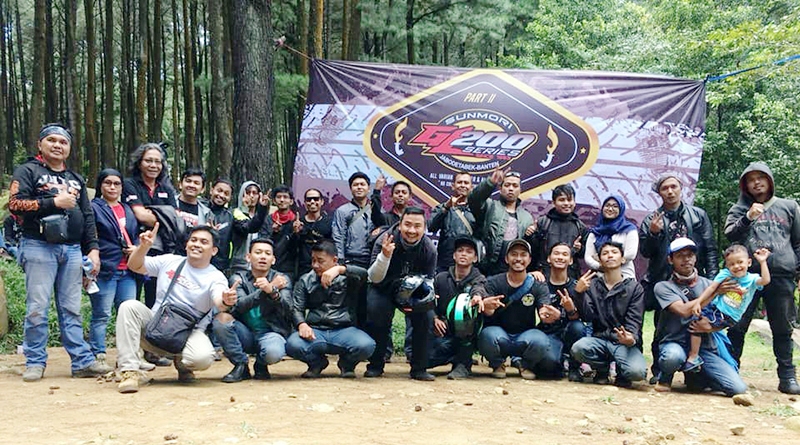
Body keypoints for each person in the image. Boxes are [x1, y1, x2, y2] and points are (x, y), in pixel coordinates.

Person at [8, 123, 112, 381]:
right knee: (37, 307)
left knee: (72, 308)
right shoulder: (28, 170)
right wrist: (53, 202)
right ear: (40, 144)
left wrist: (94, 250)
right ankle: (35, 361)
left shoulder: (75, 178)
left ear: (69, 148)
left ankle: (82, 362)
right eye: (51, 140)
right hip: (38, 245)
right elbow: (15, 204)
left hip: (73, 249)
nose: (57, 145)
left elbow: (87, 216)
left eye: (63, 142)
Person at [116, 224, 237, 393]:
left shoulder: (216, 277)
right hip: (156, 327)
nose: (197, 244)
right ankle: (129, 371)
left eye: (204, 242)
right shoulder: (170, 261)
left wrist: (226, 300)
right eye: (193, 240)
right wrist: (143, 247)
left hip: (187, 334)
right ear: (187, 244)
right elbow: (135, 266)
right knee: (129, 306)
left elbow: (219, 301)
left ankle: (182, 362)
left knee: (202, 358)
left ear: (214, 250)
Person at [724, 162, 800, 394]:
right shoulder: (739, 209)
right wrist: (748, 217)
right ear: (745, 185)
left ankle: (787, 377)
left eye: (761, 177)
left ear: (769, 180)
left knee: (783, 328)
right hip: (745, 278)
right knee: (737, 325)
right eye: (751, 179)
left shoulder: (789, 206)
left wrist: (797, 272)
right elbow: (730, 235)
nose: (756, 182)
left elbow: (798, 242)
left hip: (781, 275)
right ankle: (729, 373)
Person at [639, 174, 717, 382]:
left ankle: (695, 370)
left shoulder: (698, 215)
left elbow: (709, 248)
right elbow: (645, 252)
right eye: (665, 188)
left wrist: (712, 281)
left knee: (697, 320)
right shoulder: (651, 219)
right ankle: (660, 370)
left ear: (681, 189)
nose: (670, 191)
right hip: (664, 279)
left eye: (674, 186)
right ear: (659, 193)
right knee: (662, 325)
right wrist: (654, 233)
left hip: (694, 278)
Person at [652, 238, 748, 396]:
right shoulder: (663, 287)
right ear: (670, 260)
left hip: (704, 347)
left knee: (738, 388)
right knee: (672, 357)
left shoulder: (709, 283)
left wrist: (711, 327)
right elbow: (683, 310)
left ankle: (696, 377)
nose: (686, 259)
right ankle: (665, 378)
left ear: (695, 258)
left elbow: (727, 316)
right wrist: (714, 293)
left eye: (690, 255)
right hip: (675, 342)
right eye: (680, 256)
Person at [364, 207, 437, 380]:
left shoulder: (429, 249)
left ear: (424, 228)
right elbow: (373, 277)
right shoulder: (385, 239)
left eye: (417, 226)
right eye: (407, 225)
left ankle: (419, 368)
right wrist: (385, 256)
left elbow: (429, 280)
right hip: (383, 287)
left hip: (412, 289)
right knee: (376, 312)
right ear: (400, 224)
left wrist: (426, 298)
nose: (412, 230)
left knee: (426, 316)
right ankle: (375, 365)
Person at [286, 239, 376, 378]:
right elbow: (297, 308)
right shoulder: (305, 280)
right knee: (293, 344)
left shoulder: (348, 278)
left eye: (320, 261)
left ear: (334, 260)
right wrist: (302, 324)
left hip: (344, 329)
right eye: (313, 260)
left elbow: (365, 274)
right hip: (316, 330)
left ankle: (347, 364)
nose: (315, 265)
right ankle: (317, 363)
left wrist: (340, 269)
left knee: (367, 345)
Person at [212, 238, 292, 382]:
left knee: (273, 353)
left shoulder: (281, 278)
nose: (263, 257)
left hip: (271, 332)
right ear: (248, 257)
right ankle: (241, 365)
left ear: (273, 260)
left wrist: (273, 292)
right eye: (258, 252)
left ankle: (261, 364)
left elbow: (288, 308)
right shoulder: (238, 278)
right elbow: (239, 305)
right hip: (245, 332)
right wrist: (267, 289)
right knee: (221, 320)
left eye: (267, 253)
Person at [571, 241, 647, 388]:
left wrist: (630, 338)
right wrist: (579, 294)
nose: (610, 256)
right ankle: (602, 369)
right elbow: (587, 316)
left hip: (623, 343)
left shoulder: (634, 288)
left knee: (637, 372)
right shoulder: (593, 285)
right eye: (605, 253)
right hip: (600, 341)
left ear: (623, 259)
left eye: (614, 252)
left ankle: (622, 373)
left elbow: (635, 319)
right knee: (578, 348)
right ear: (599, 260)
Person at [684, 244, 770, 372]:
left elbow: (765, 280)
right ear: (727, 266)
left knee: (698, 325)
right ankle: (695, 356)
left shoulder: (752, 279)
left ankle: (695, 356)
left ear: (749, 262)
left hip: (728, 316)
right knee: (695, 322)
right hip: (715, 309)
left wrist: (763, 262)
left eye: (740, 262)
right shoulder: (725, 274)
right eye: (732, 264)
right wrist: (699, 302)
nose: (736, 266)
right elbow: (711, 288)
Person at [477, 239, 552, 379]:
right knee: (486, 336)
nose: (518, 258)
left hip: (525, 335)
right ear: (506, 258)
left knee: (541, 341)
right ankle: (498, 364)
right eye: (514, 254)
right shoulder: (493, 282)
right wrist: (487, 307)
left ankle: (524, 364)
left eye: (523, 255)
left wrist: (548, 314)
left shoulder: (538, 284)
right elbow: (488, 312)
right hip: (498, 334)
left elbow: (545, 309)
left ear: (529, 260)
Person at [89, 168, 139, 366]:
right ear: (100, 185)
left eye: (116, 183)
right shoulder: (94, 207)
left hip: (128, 271)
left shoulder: (127, 208)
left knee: (128, 316)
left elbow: (135, 233)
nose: (112, 187)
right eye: (107, 183)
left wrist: (135, 247)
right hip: (105, 269)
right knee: (102, 314)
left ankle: (128, 357)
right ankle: (98, 355)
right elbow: (89, 237)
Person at [123, 142, 178, 310]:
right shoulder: (129, 184)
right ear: (139, 163)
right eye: (148, 160)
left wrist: (152, 213)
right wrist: (165, 215)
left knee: (154, 299)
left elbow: (175, 219)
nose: (153, 165)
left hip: (162, 250)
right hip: (136, 247)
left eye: (158, 161)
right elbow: (140, 215)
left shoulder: (166, 188)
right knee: (130, 299)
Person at [429, 235, 487, 379]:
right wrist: (434, 318)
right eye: (460, 251)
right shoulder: (440, 278)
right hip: (443, 330)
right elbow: (429, 301)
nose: (463, 254)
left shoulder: (479, 278)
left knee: (469, 322)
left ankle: (463, 364)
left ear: (475, 258)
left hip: (468, 332)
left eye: (469, 252)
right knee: (423, 359)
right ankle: (453, 357)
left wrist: (477, 296)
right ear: (454, 255)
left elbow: (479, 288)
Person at [468, 169, 536, 275]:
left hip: (514, 270)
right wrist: (490, 183)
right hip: (487, 269)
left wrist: (531, 234)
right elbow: (474, 199)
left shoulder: (527, 217)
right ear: (500, 188)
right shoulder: (490, 206)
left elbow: (529, 248)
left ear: (520, 190)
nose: (511, 189)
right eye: (507, 185)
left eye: (515, 186)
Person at [539, 243, 590, 381]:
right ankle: (560, 361)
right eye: (556, 253)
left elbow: (586, 317)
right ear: (549, 258)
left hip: (570, 331)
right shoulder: (541, 284)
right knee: (549, 367)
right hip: (548, 332)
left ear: (571, 260)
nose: (560, 257)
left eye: (565, 254)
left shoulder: (576, 286)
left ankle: (574, 366)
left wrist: (571, 309)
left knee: (578, 327)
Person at [331, 172, 375, 325]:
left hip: (370, 261)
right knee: (350, 301)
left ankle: (365, 332)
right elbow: (338, 236)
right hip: (351, 260)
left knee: (368, 302)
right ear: (351, 188)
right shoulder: (342, 211)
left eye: (362, 184)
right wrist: (340, 260)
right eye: (355, 185)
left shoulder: (375, 211)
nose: (359, 187)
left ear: (368, 188)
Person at [530, 184, 587, 279]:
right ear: (554, 202)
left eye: (569, 200)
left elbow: (587, 254)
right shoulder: (543, 222)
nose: (566, 203)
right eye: (562, 200)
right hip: (544, 275)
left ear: (574, 202)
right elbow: (533, 250)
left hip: (570, 276)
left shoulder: (580, 227)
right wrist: (530, 235)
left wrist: (580, 249)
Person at [428, 172, 477, 273]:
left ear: (471, 187)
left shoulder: (478, 210)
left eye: (466, 183)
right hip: (445, 264)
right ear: (453, 186)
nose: (462, 185)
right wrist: (446, 207)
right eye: (459, 182)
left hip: (470, 265)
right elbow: (431, 227)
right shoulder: (443, 207)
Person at [585, 195, 638, 279]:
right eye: (607, 205)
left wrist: (609, 263)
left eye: (615, 206)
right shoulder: (595, 232)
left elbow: (630, 254)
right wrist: (600, 266)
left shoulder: (629, 230)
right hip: (600, 276)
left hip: (624, 276)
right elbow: (588, 257)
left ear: (621, 209)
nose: (610, 209)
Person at [229, 181, 270, 274]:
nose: (251, 196)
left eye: (254, 193)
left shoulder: (263, 216)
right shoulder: (235, 213)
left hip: (259, 266)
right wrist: (245, 208)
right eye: (248, 192)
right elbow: (248, 228)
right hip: (239, 265)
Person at [262, 185, 298, 280]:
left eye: (285, 197)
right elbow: (263, 242)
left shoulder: (296, 222)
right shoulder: (268, 220)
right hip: (269, 267)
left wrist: (295, 233)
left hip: (289, 270)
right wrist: (274, 233)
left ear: (291, 201)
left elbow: (296, 248)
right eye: (279, 197)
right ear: (274, 201)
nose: (282, 200)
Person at [294, 188, 333, 277]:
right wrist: (295, 233)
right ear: (305, 203)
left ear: (322, 202)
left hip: (324, 269)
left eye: (316, 199)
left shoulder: (329, 222)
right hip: (303, 270)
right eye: (309, 199)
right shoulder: (298, 222)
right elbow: (292, 249)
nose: (312, 202)